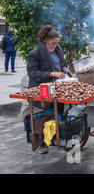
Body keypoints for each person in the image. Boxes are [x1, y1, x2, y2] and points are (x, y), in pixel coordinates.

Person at [27, 25, 71, 154]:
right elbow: (32, 72)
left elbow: (62, 66)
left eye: (57, 43)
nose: (55, 45)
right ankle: (43, 143)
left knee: (59, 113)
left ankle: (59, 138)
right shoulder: (35, 53)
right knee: (46, 116)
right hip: (43, 90)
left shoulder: (58, 49)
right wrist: (51, 74)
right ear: (46, 40)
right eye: (53, 43)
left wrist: (66, 73)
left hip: (57, 87)